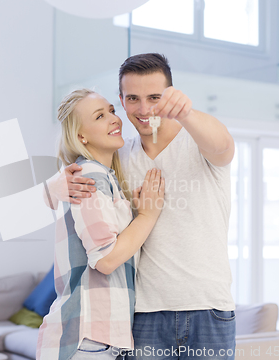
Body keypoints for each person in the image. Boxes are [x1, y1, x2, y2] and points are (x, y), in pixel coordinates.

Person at [47, 53, 236, 360]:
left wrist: (187, 113)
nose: (144, 109)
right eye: (133, 98)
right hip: (143, 314)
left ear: (171, 97)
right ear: (121, 100)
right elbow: (82, 175)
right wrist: (54, 185)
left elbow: (223, 145)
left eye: (155, 98)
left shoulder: (198, 142)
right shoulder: (118, 157)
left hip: (208, 308)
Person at [36, 88, 165, 360]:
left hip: (98, 340)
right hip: (87, 341)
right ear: (81, 135)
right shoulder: (88, 176)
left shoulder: (106, 177)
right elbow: (105, 259)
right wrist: (148, 216)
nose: (113, 119)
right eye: (99, 116)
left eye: (111, 111)